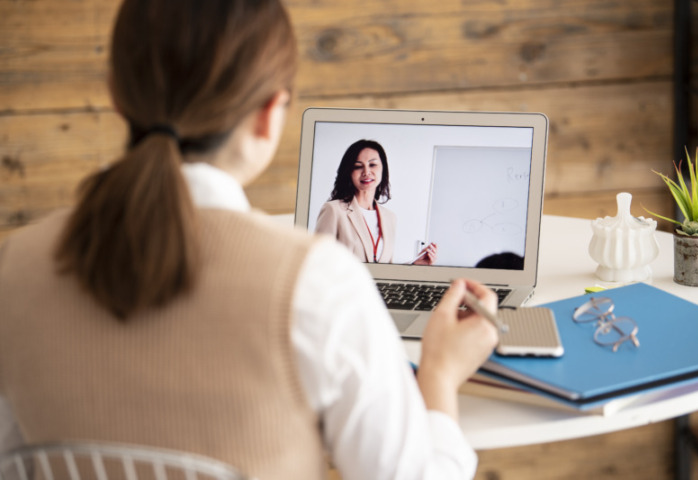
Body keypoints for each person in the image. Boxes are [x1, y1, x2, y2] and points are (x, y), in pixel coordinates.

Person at [0, 1, 499, 479]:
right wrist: (438, 373)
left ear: (115, 94)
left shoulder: (13, 267)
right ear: (269, 114)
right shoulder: (318, 284)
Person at [315, 139, 438, 264]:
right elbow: (318, 264)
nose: (366, 172)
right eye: (358, 166)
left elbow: (386, 271)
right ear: (348, 172)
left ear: (383, 169)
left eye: (372, 165)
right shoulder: (333, 210)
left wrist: (414, 265)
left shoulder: (390, 217)